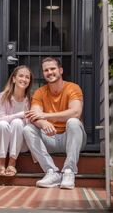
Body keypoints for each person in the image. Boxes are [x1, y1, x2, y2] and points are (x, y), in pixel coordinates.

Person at [23, 57, 84, 189]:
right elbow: (34, 116)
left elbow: (75, 112)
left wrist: (46, 116)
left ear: (60, 70)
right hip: (50, 137)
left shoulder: (72, 88)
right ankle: (52, 172)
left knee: (73, 122)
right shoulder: (39, 92)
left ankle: (69, 171)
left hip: (72, 138)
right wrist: (43, 123)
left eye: (52, 69)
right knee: (28, 129)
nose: (49, 72)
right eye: (46, 70)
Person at [0, 65, 33, 177]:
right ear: (14, 79)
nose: (24, 79)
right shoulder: (3, 96)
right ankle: (1, 163)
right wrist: (20, 114)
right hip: (2, 140)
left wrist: (20, 119)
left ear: (29, 81)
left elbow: (29, 124)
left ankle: (12, 163)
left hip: (20, 142)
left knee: (18, 123)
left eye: (27, 77)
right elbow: (0, 118)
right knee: (2, 124)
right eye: (21, 76)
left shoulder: (30, 99)